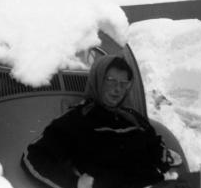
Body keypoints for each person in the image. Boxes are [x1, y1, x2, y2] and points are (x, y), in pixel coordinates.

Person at [22, 55, 178, 188]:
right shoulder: (77, 119)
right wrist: (74, 183)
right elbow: (34, 156)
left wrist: (162, 160)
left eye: (124, 84)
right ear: (98, 80)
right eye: (111, 80)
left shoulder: (133, 118)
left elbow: (155, 143)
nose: (117, 89)